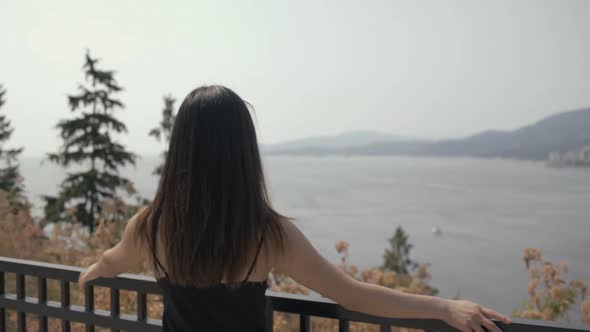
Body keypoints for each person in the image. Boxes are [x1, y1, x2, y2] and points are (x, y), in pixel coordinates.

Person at [79, 85, 511, 332]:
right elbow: (353, 295)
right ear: (242, 154)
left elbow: (113, 262)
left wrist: (93, 270)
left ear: (180, 151)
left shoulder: (151, 227)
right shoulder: (266, 235)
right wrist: (441, 308)